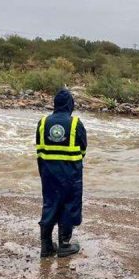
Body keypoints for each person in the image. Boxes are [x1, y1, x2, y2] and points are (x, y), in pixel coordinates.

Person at [35, 89, 87, 258]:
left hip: (48, 174)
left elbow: (39, 150)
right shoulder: (75, 123)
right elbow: (83, 149)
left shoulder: (42, 123)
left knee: (50, 204)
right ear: (70, 104)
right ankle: (64, 245)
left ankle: (46, 246)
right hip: (70, 174)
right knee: (68, 206)